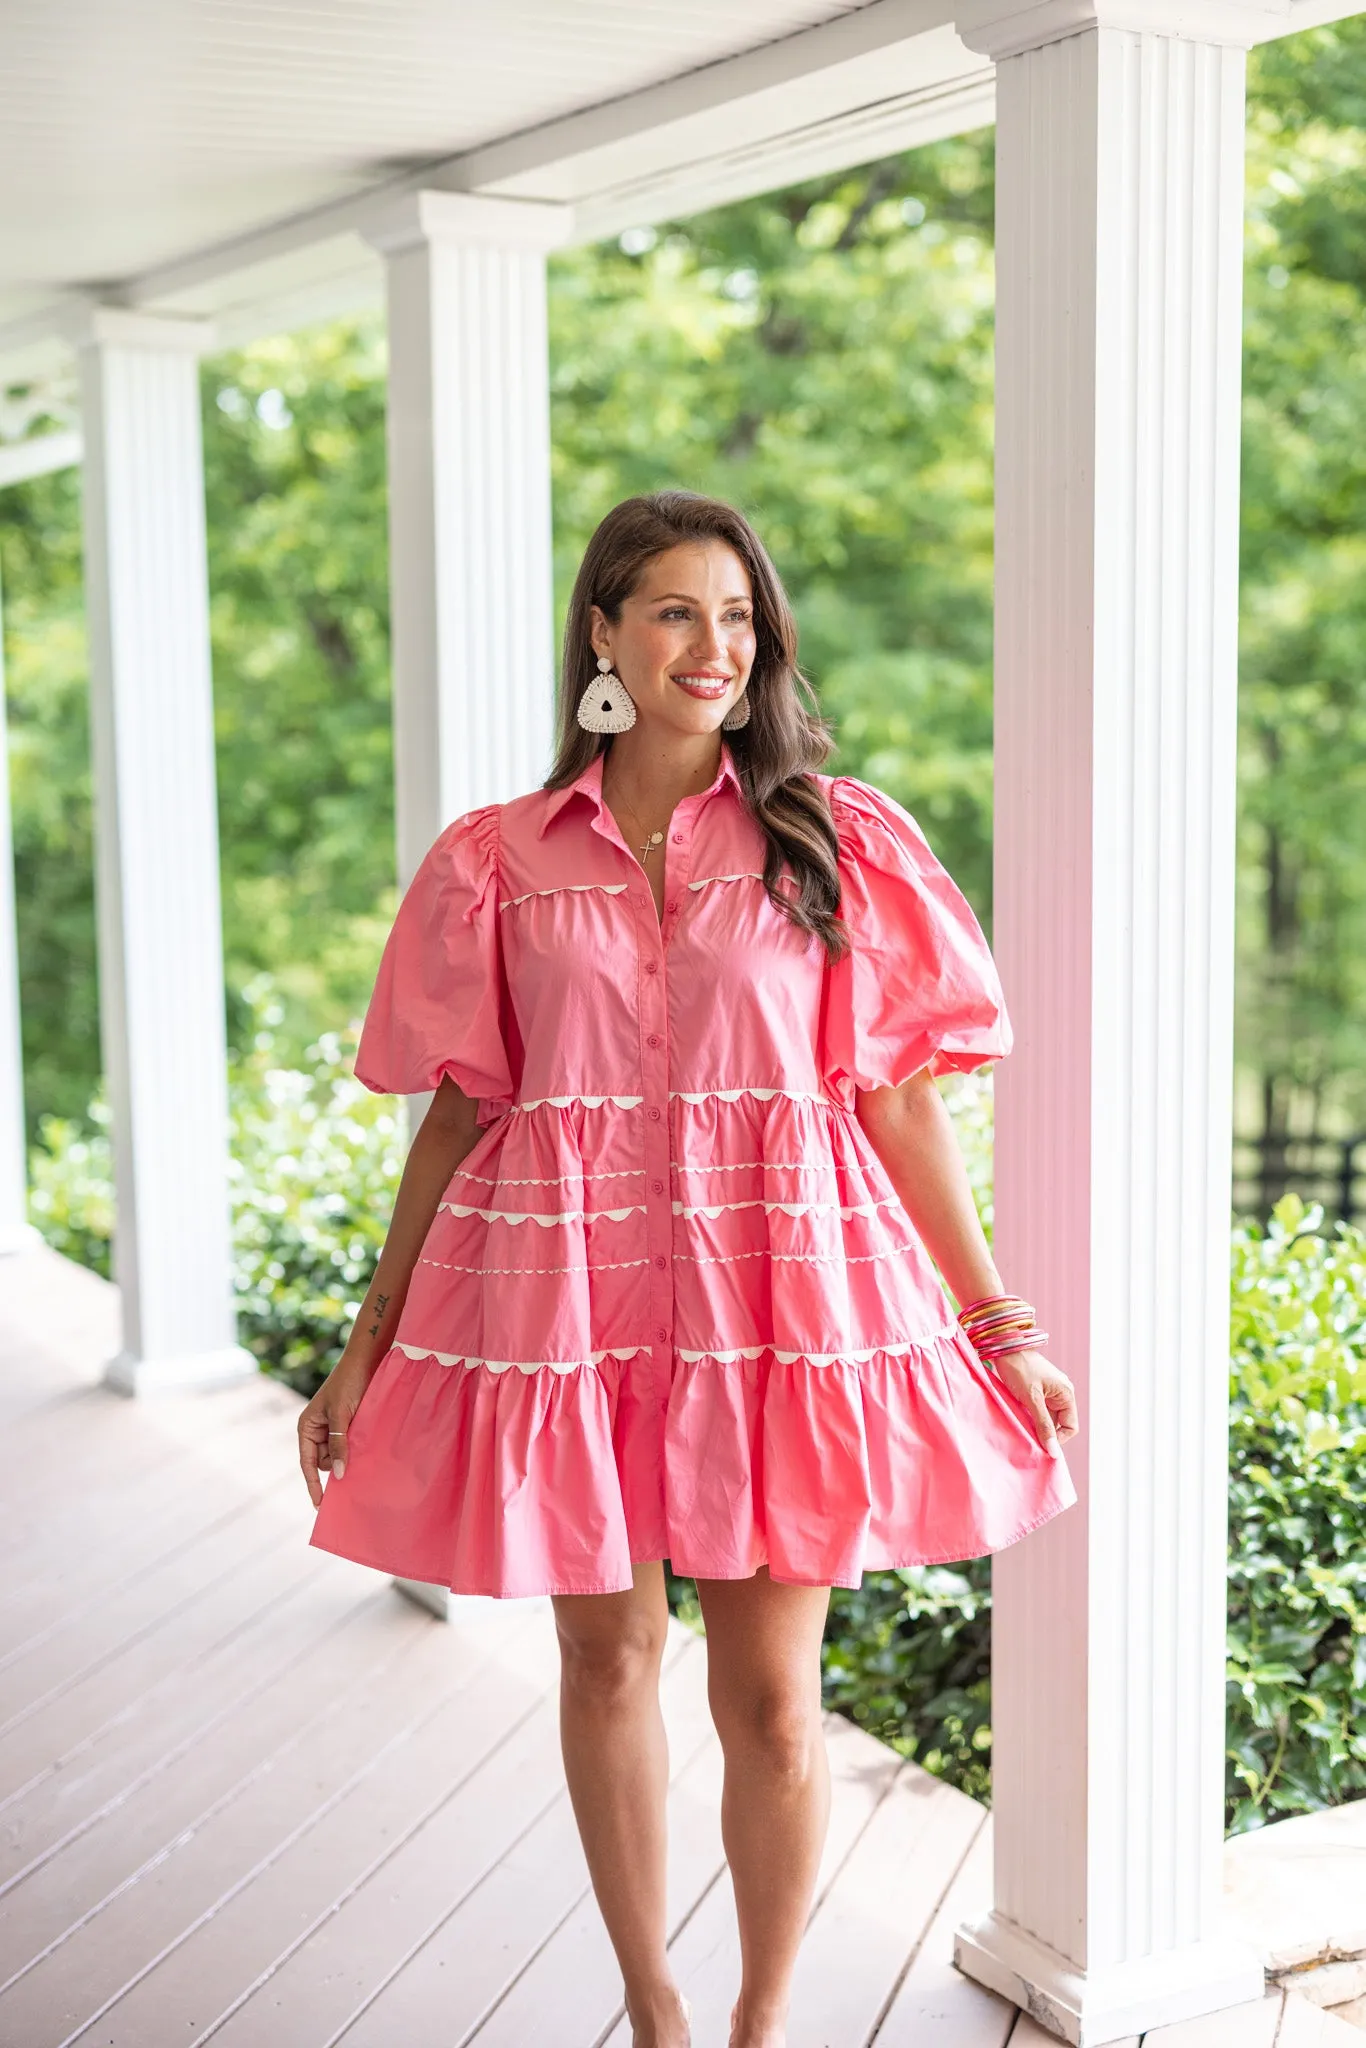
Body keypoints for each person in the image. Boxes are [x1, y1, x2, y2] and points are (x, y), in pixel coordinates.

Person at [299, 489, 1078, 2048]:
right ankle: (654, 2007)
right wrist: (366, 1341)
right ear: (600, 631)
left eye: (734, 617)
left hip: (775, 1303)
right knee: (606, 1659)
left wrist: (1001, 1324)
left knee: (775, 1704)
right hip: (563, 1302)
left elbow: (898, 1102)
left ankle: (759, 2023)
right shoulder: (496, 859)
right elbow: (463, 1107)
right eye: (671, 611)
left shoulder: (832, 837)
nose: (709, 647)